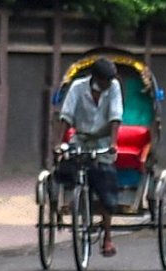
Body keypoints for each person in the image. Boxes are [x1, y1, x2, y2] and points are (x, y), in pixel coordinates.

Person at [53, 57, 124, 256]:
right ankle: (73, 200)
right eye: (105, 81)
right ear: (96, 78)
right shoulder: (78, 87)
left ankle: (108, 238)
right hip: (81, 139)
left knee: (106, 186)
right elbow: (66, 116)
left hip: (102, 142)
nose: (108, 84)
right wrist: (60, 143)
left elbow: (115, 117)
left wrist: (113, 143)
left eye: (110, 80)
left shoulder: (114, 88)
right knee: (66, 168)